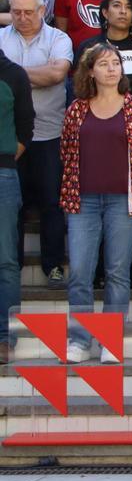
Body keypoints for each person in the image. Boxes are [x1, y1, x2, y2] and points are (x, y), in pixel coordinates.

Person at [60, 42, 132, 364]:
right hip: (82, 200)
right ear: (90, 71)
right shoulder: (76, 108)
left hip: (123, 202)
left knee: (117, 271)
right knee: (80, 271)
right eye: (103, 64)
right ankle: (78, 340)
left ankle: (109, 342)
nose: (111, 68)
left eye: (115, 63)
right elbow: (66, 152)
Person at [0, 0, 70, 290]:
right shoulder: (0, 37)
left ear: (42, 10)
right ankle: (9, 263)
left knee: (51, 203)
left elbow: (57, 74)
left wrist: (12, 74)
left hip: (49, 133)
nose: (22, 17)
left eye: (29, 12)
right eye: (16, 12)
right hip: (10, 138)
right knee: (10, 205)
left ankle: (53, 264)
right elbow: (46, 74)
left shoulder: (59, 38)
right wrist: (34, 74)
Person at [0, 32, 34, 364]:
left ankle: (4, 337)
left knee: (7, 260)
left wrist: (5, 159)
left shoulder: (13, 74)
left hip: (2, 174)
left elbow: (26, 129)